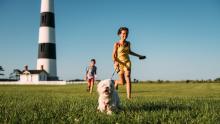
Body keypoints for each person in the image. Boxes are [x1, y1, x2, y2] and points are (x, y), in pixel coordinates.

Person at [112, 27, 146, 99]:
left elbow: (129, 52)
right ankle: (116, 82)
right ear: (119, 34)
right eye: (123, 33)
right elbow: (113, 56)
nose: (125, 35)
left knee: (127, 77)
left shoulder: (128, 43)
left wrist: (139, 56)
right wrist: (115, 64)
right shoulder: (116, 44)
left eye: (127, 33)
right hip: (119, 63)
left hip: (127, 62)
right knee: (122, 82)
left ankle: (129, 97)